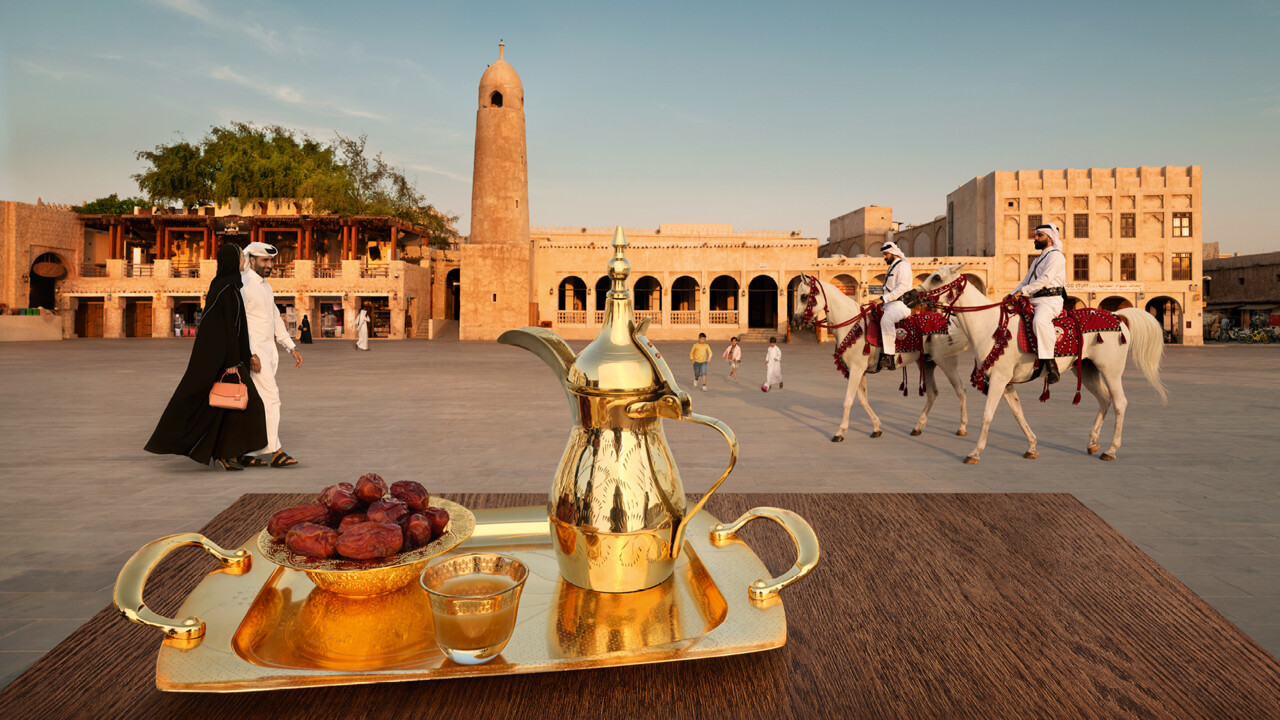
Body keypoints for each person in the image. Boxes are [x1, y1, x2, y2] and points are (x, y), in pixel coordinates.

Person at [144, 243, 267, 470]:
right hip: (224, 360)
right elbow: (224, 328)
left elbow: (239, 327)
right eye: (241, 256)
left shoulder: (231, 286)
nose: (244, 260)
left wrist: (247, 354)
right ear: (232, 260)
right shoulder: (223, 288)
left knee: (232, 408)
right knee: (248, 405)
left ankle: (234, 453)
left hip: (233, 358)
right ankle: (229, 454)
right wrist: (231, 362)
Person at [240, 241, 304, 467]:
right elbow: (240, 324)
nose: (270, 265)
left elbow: (275, 318)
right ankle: (275, 451)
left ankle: (246, 453)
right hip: (255, 353)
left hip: (269, 352)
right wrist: (248, 353)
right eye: (265, 260)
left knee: (255, 404)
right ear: (252, 260)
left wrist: (290, 346)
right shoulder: (244, 284)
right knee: (271, 399)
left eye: (272, 261)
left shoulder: (265, 287)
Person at [1010, 223, 1067, 384]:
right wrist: (1013, 293)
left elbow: (1046, 279)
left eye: (1039, 236)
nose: (1035, 238)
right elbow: (1025, 281)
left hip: (1050, 301)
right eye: (1035, 235)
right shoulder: (1037, 260)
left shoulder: (1056, 256)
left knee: (1040, 321)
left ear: (1050, 238)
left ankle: (1050, 364)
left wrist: (1024, 291)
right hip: (1034, 299)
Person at [873, 241, 912, 371]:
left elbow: (902, 288)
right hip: (889, 304)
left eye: (885, 254)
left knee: (886, 320)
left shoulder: (903, 266)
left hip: (900, 305)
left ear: (893, 253)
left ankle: (889, 356)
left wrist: (882, 299)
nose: (884, 257)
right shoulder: (893, 266)